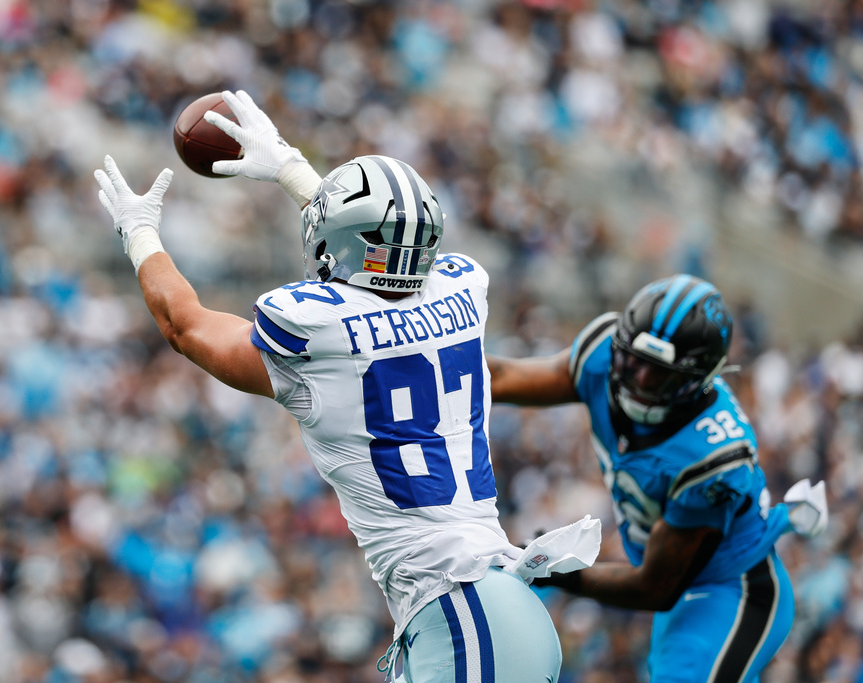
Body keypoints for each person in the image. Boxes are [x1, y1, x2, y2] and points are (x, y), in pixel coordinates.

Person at [94, 91, 600, 682]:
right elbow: (386, 265)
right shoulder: (462, 287)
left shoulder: (316, 329)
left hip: (464, 612)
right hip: (485, 607)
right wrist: (290, 169)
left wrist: (140, 235)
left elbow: (186, 326)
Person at [486, 275, 829, 683]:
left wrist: (557, 571)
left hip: (730, 590)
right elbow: (500, 377)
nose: (640, 382)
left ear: (697, 379)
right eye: (634, 362)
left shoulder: (711, 457)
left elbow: (655, 586)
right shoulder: (603, 353)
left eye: (660, 374)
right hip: (683, 592)